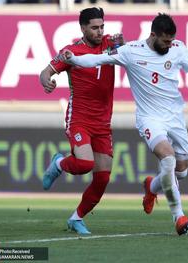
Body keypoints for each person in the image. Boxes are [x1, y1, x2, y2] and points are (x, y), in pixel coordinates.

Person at [62, 13, 188, 235]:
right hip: (149, 119)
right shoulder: (131, 51)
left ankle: (152, 186)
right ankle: (178, 216)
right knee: (169, 158)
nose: (169, 45)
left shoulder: (178, 48)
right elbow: (97, 59)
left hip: (175, 118)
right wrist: (73, 59)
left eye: (171, 41)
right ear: (153, 35)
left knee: (180, 172)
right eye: (165, 41)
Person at [39, 7, 123, 235]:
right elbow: (45, 72)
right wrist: (46, 82)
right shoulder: (71, 51)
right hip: (80, 119)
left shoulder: (110, 44)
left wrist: (123, 46)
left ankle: (76, 218)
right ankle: (58, 164)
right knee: (85, 164)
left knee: (103, 177)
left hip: (103, 123)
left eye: (102, 26)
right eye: (94, 27)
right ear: (83, 28)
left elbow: (127, 54)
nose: (99, 31)